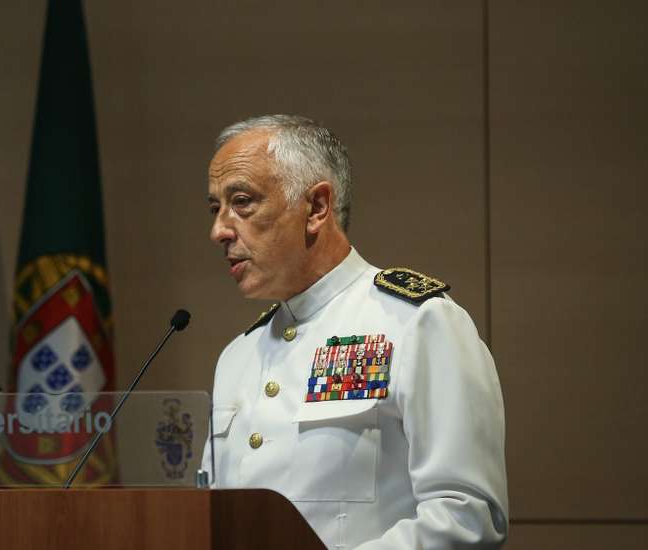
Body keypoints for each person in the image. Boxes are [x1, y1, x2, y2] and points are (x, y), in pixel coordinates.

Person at [201, 114, 508, 549]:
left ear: (317, 208)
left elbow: (468, 517)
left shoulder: (417, 323)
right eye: (216, 208)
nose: (219, 230)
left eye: (243, 202)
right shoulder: (236, 357)